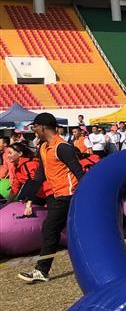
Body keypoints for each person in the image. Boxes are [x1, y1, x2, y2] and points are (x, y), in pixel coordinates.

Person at [18, 113, 85, 283]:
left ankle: (41, 270)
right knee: (57, 229)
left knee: (50, 229)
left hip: (68, 195)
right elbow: (40, 175)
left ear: (42, 127)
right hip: (55, 195)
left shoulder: (62, 147)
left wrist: (86, 194)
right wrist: (29, 197)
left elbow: (79, 172)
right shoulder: (43, 147)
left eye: (35, 127)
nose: (34, 131)